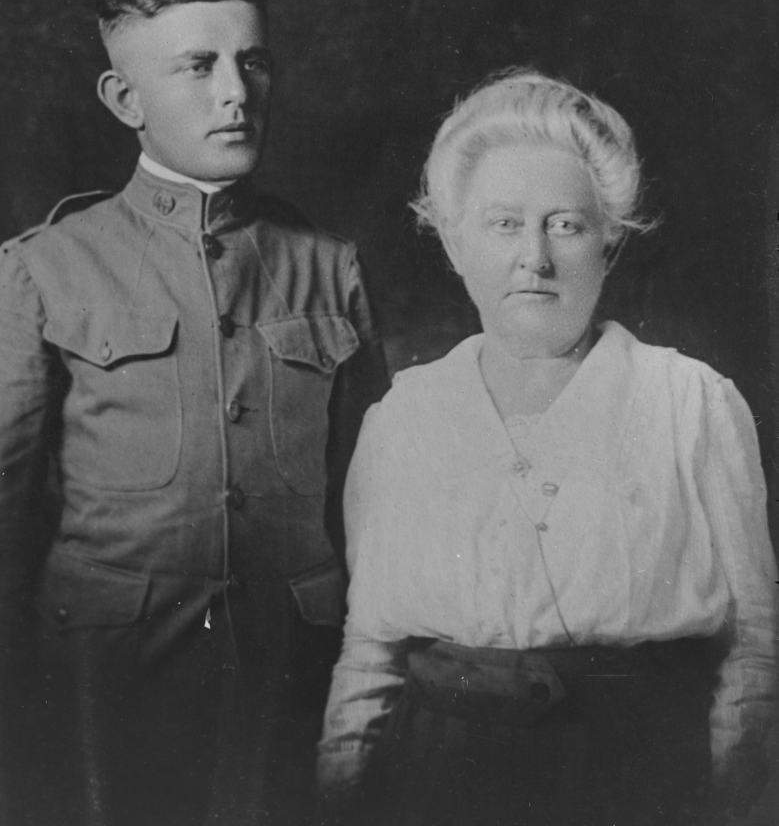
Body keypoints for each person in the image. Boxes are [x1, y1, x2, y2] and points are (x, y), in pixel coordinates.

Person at [0, 0, 388, 826]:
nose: (236, 92)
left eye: (252, 61)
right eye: (198, 65)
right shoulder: (47, 267)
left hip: (290, 682)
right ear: (125, 100)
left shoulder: (328, 268)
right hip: (105, 690)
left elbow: (379, 508)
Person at [316, 70, 777, 825]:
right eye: (503, 224)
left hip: (638, 786)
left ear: (609, 244)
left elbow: (755, 644)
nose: (534, 256)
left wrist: (718, 800)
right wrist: (339, 799)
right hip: (436, 789)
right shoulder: (405, 416)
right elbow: (370, 650)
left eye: (565, 224)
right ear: (456, 244)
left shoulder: (690, 402)